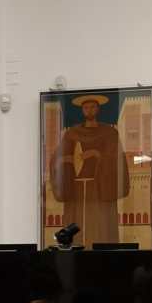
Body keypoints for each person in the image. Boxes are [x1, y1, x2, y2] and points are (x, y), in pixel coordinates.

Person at [49, 94, 129, 248]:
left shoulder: (110, 133)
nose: (89, 110)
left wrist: (96, 154)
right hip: (76, 190)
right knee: (75, 229)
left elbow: (116, 159)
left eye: (93, 107)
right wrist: (65, 160)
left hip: (100, 188)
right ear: (82, 110)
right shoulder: (72, 133)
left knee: (101, 229)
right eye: (86, 107)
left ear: (98, 109)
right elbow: (57, 158)